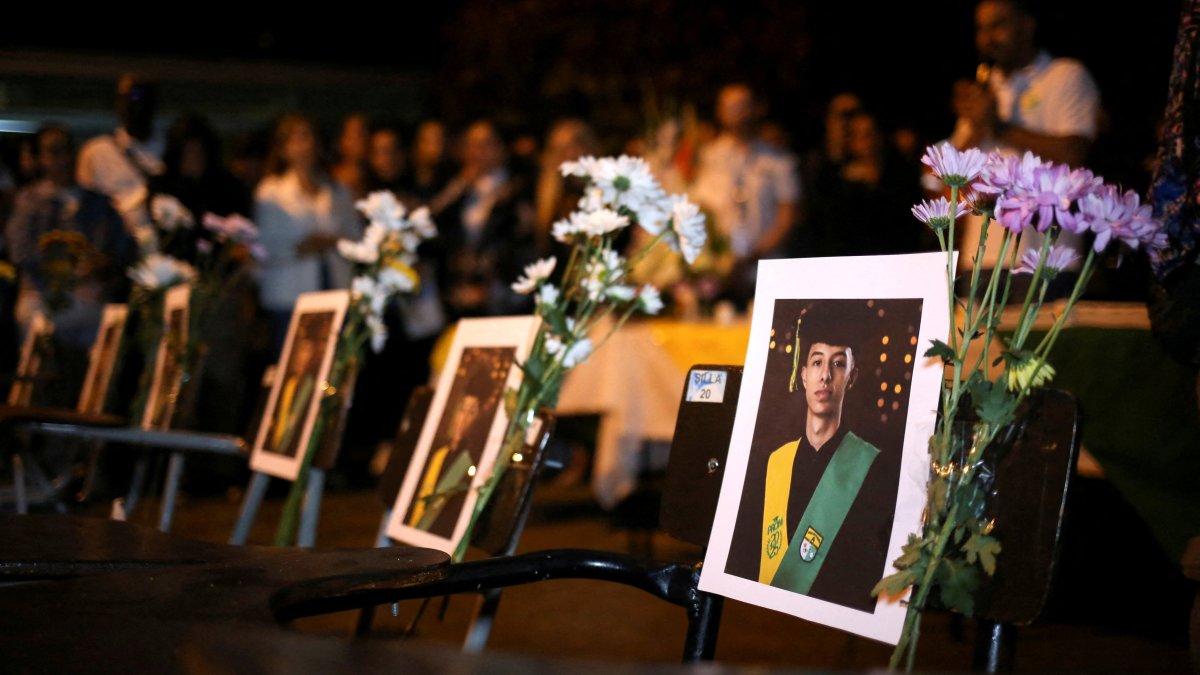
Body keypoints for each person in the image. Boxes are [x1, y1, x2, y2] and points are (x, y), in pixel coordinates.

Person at [951, 0, 1101, 286]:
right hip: (981, 259)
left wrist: (999, 127)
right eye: (981, 29)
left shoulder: (1066, 75)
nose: (988, 37)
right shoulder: (984, 89)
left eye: (998, 25)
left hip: (1046, 259)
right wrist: (978, 126)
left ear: (1027, 25)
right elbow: (950, 176)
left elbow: (1074, 153)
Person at [754, 308, 893, 612]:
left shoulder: (873, 468)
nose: (825, 375)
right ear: (803, 374)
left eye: (838, 364)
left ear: (851, 378)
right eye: (817, 362)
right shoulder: (775, 463)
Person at [254, 114, 360, 356]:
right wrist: (301, 247)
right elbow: (263, 247)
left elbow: (355, 236)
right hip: (290, 295)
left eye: (309, 136)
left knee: (334, 363)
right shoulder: (271, 191)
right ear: (283, 148)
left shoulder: (336, 189)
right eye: (297, 138)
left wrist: (333, 241)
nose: (306, 144)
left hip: (333, 285)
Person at [691, 83, 799, 300]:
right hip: (720, 274)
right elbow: (699, 211)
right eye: (730, 107)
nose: (737, 113)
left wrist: (753, 256)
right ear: (719, 112)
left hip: (768, 269)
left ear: (756, 108)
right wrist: (717, 260)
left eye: (742, 106)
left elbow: (788, 215)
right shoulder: (709, 157)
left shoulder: (777, 159)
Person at [76, 74, 164, 247]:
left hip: (160, 249)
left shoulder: (173, 149)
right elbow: (86, 212)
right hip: (113, 249)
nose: (135, 104)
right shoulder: (95, 151)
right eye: (127, 98)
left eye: (141, 96)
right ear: (117, 105)